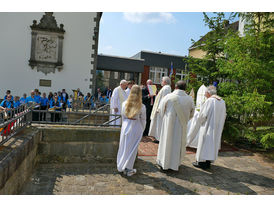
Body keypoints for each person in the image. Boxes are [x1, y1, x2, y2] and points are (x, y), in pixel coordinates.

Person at [156, 81, 194, 171]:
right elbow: (192, 113)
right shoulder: (189, 99)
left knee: (167, 142)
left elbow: (161, 110)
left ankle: (164, 163)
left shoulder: (168, 97)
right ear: (185, 88)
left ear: (176, 87)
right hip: (181, 126)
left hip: (168, 125)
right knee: (177, 144)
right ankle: (175, 164)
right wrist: (184, 120)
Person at [187, 85, 226, 170]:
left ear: (208, 93)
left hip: (207, 127)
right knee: (212, 145)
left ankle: (201, 162)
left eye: (205, 93)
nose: (204, 94)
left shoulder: (210, 101)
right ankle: (208, 162)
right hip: (217, 128)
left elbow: (203, 115)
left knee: (205, 144)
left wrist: (198, 121)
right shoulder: (222, 101)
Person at [117, 85, 146, 176]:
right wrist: (142, 129)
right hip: (135, 126)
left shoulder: (124, 103)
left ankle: (121, 165)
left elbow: (123, 116)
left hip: (125, 125)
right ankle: (128, 169)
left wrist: (124, 125)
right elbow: (143, 120)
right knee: (132, 150)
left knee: (123, 147)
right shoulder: (142, 106)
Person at [148, 76, 171, 143]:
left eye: (162, 80)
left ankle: (159, 138)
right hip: (159, 108)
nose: (161, 81)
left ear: (165, 82)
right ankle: (157, 137)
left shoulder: (166, 88)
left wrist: (160, 108)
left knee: (159, 124)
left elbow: (164, 99)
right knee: (157, 123)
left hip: (160, 109)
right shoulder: (165, 88)